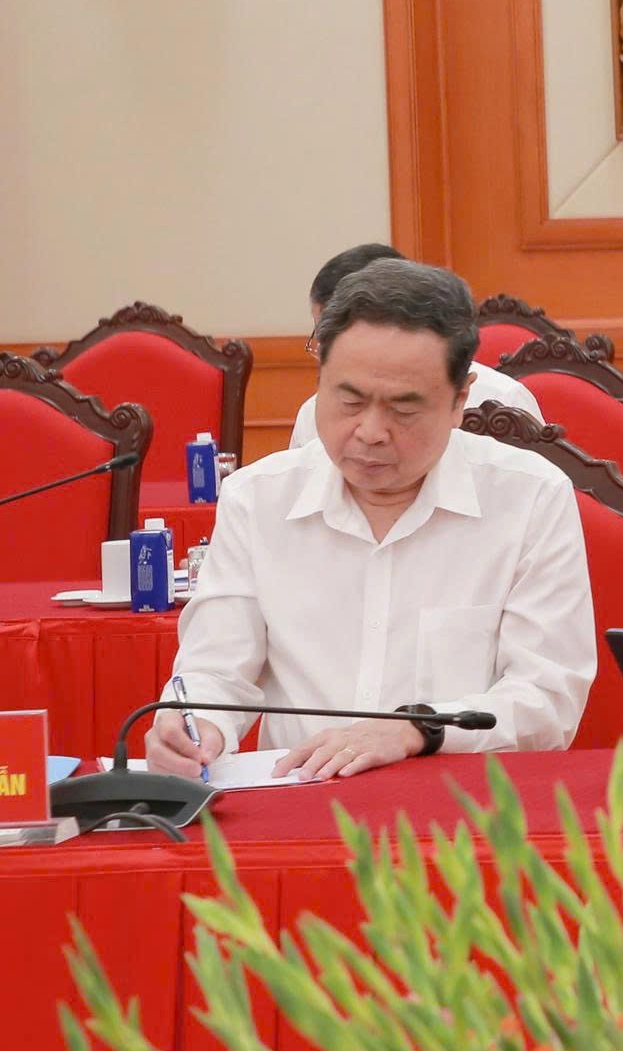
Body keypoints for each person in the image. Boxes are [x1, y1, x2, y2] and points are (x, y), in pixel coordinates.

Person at [147, 260, 596, 779]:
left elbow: (547, 698)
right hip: (299, 799)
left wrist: (418, 730)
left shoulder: (530, 497)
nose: (370, 432)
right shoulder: (257, 499)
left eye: (403, 410)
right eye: (349, 400)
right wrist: (192, 728)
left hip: (458, 803)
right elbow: (215, 672)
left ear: (459, 400)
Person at [287, 244, 541, 447]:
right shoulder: (312, 413)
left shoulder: (502, 397)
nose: (371, 434)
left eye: (405, 409)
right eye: (324, 337)